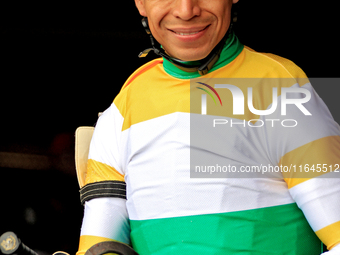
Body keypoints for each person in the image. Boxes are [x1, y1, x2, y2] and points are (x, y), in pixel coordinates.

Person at [76, 0, 340, 254]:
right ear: (141, 2)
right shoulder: (121, 111)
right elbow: (98, 248)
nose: (186, 10)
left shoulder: (279, 89)